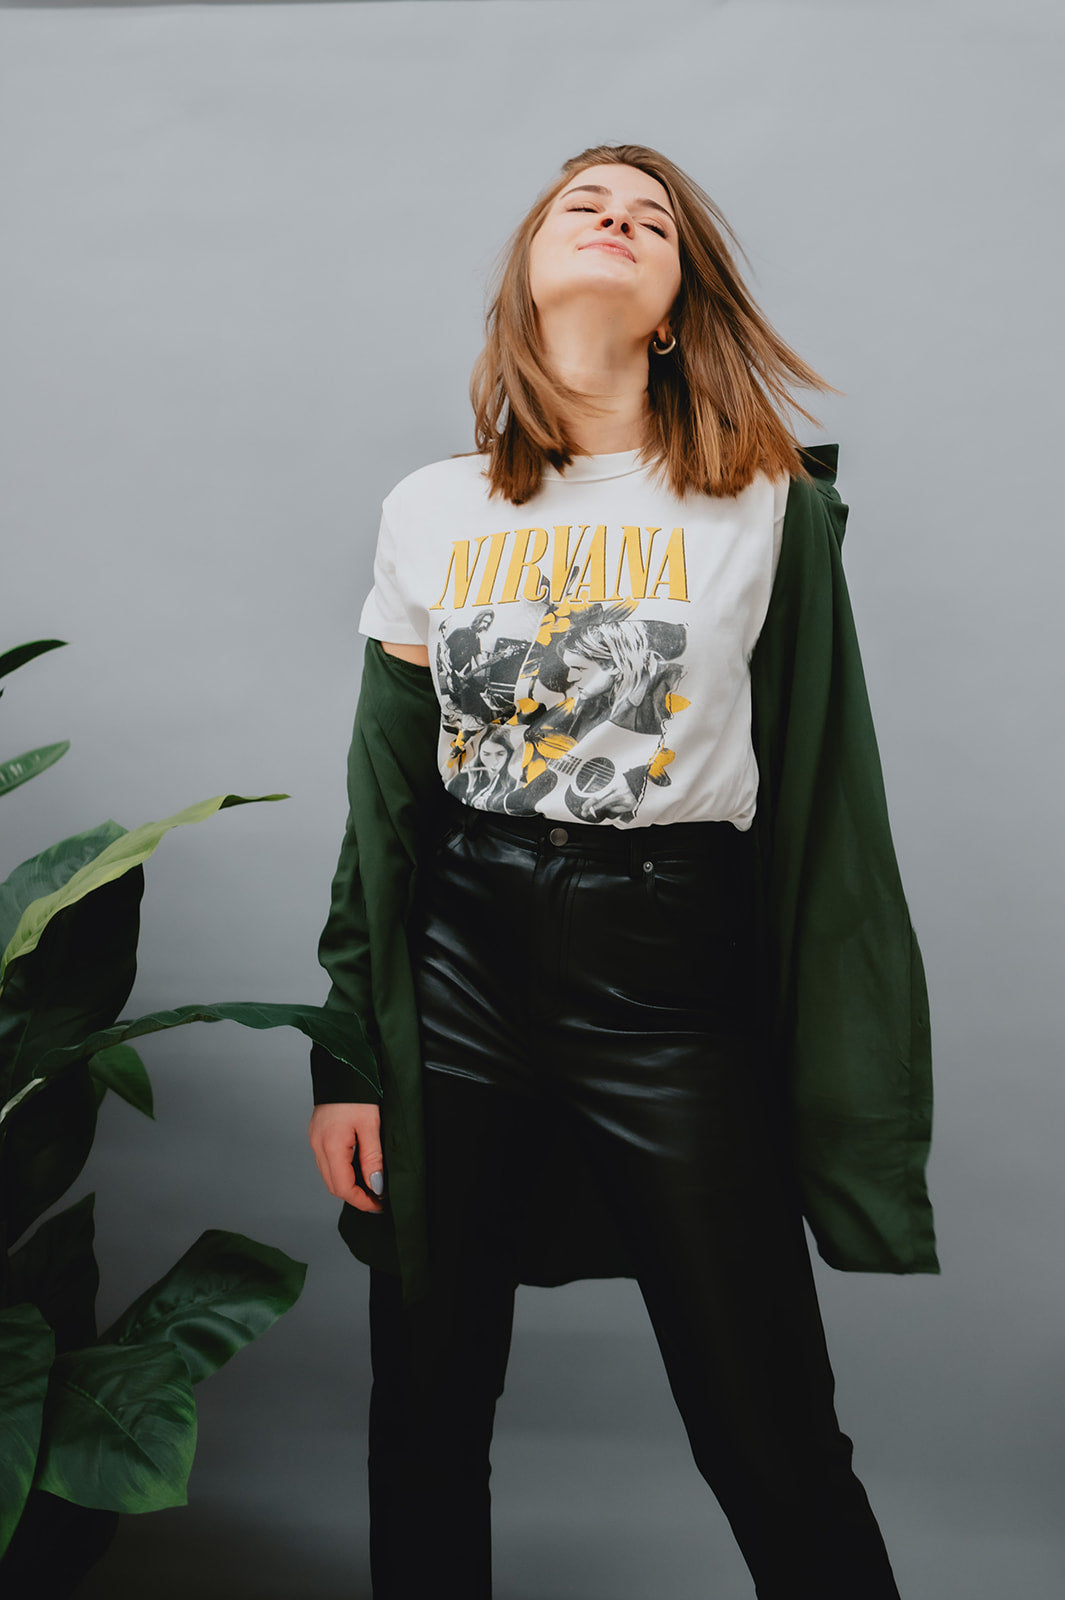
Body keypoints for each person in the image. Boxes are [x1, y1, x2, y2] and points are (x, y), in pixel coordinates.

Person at [307, 142, 937, 1600]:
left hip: (669, 976)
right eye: (583, 203)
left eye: (650, 218)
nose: (615, 217)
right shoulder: (434, 507)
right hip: (460, 969)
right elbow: (385, 800)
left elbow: (822, 782)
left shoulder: (764, 499)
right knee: (426, 1413)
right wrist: (348, 1052)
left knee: (769, 1427)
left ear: (671, 305)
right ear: (526, 276)